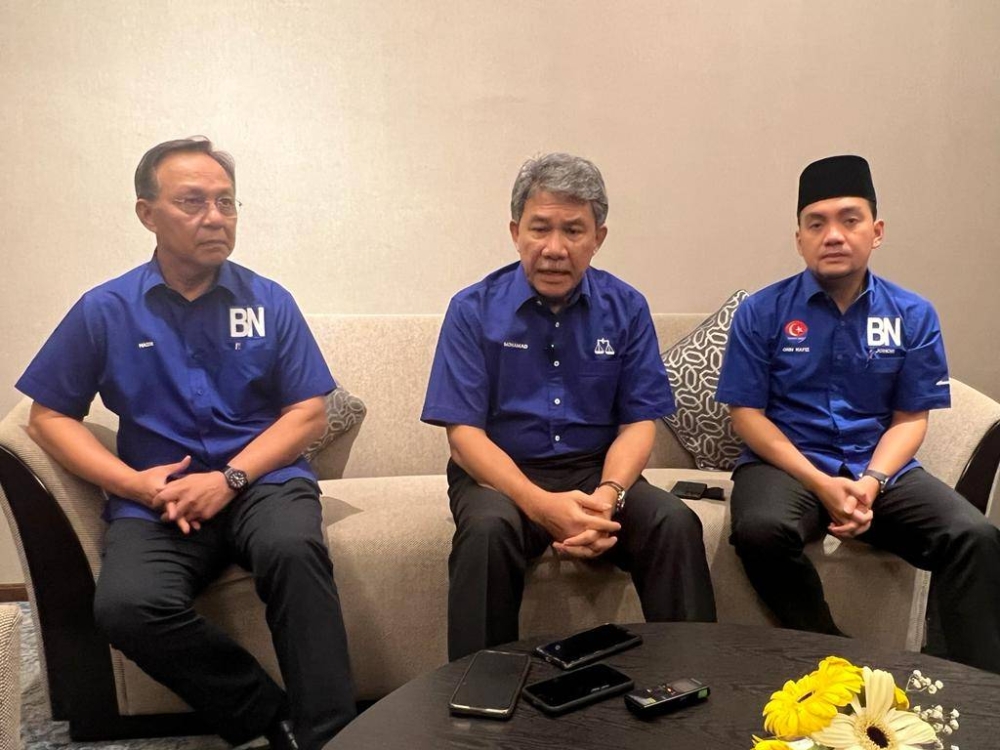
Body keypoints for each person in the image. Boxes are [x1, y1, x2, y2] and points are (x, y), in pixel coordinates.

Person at [15, 137, 356, 748]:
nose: (216, 217)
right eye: (193, 202)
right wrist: (130, 483)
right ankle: (264, 718)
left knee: (294, 552)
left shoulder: (269, 302)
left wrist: (229, 480)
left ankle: (331, 736)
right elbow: (48, 417)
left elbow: (308, 412)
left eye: (226, 202)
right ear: (148, 213)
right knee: (125, 606)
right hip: (159, 497)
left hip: (262, 484)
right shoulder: (106, 309)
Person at [421, 152, 717, 661]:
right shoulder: (472, 309)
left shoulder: (626, 307)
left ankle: (692, 685)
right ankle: (480, 702)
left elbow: (638, 423)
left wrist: (608, 495)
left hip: (595, 471)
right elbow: (464, 438)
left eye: (574, 231)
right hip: (501, 474)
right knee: (487, 534)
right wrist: (544, 508)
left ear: (598, 237)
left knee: (674, 522)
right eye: (540, 229)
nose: (554, 249)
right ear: (516, 232)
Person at [716, 154, 1000, 672]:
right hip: (786, 466)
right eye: (816, 222)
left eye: (850, 219)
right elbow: (747, 416)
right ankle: (833, 653)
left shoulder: (912, 314)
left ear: (877, 230)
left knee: (974, 537)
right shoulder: (762, 312)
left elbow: (912, 417)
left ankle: (979, 688)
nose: (833, 235)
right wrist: (822, 484)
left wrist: (871, 482)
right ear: (799, 237)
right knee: (759, 529)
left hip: (880, 470)